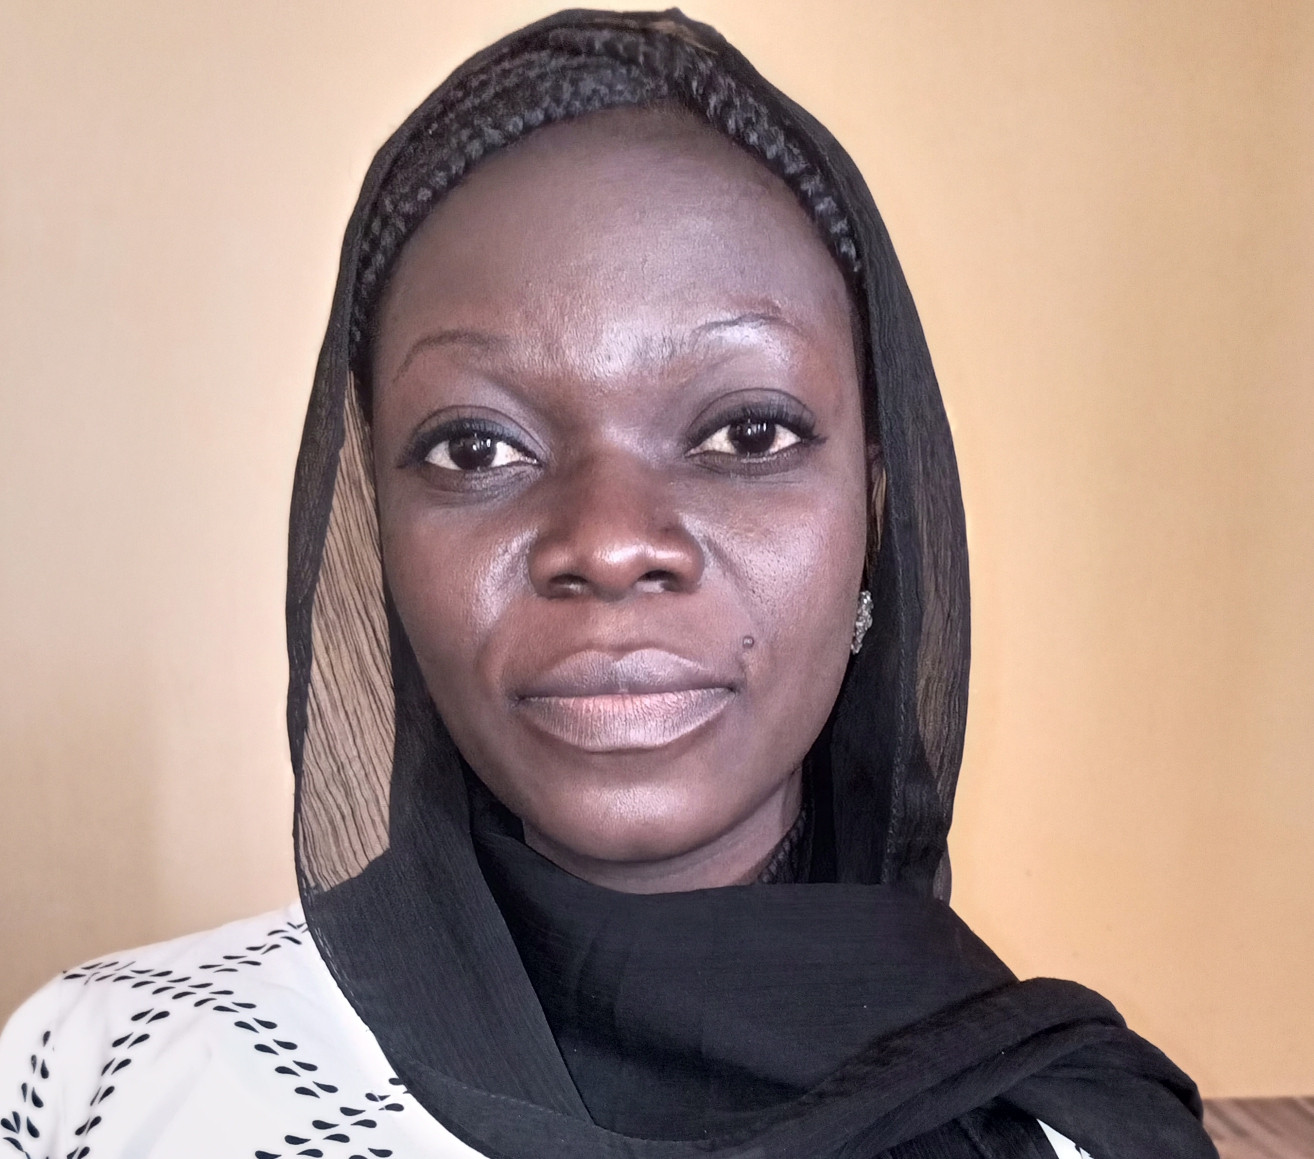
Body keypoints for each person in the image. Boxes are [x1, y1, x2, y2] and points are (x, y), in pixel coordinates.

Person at [0, 10, 1218, 1158]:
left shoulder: (1070, 1127)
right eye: (476, 448)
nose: (610, 540)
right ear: (378, 532)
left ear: (875, 520)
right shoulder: (109, 1076)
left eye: (747, 433)